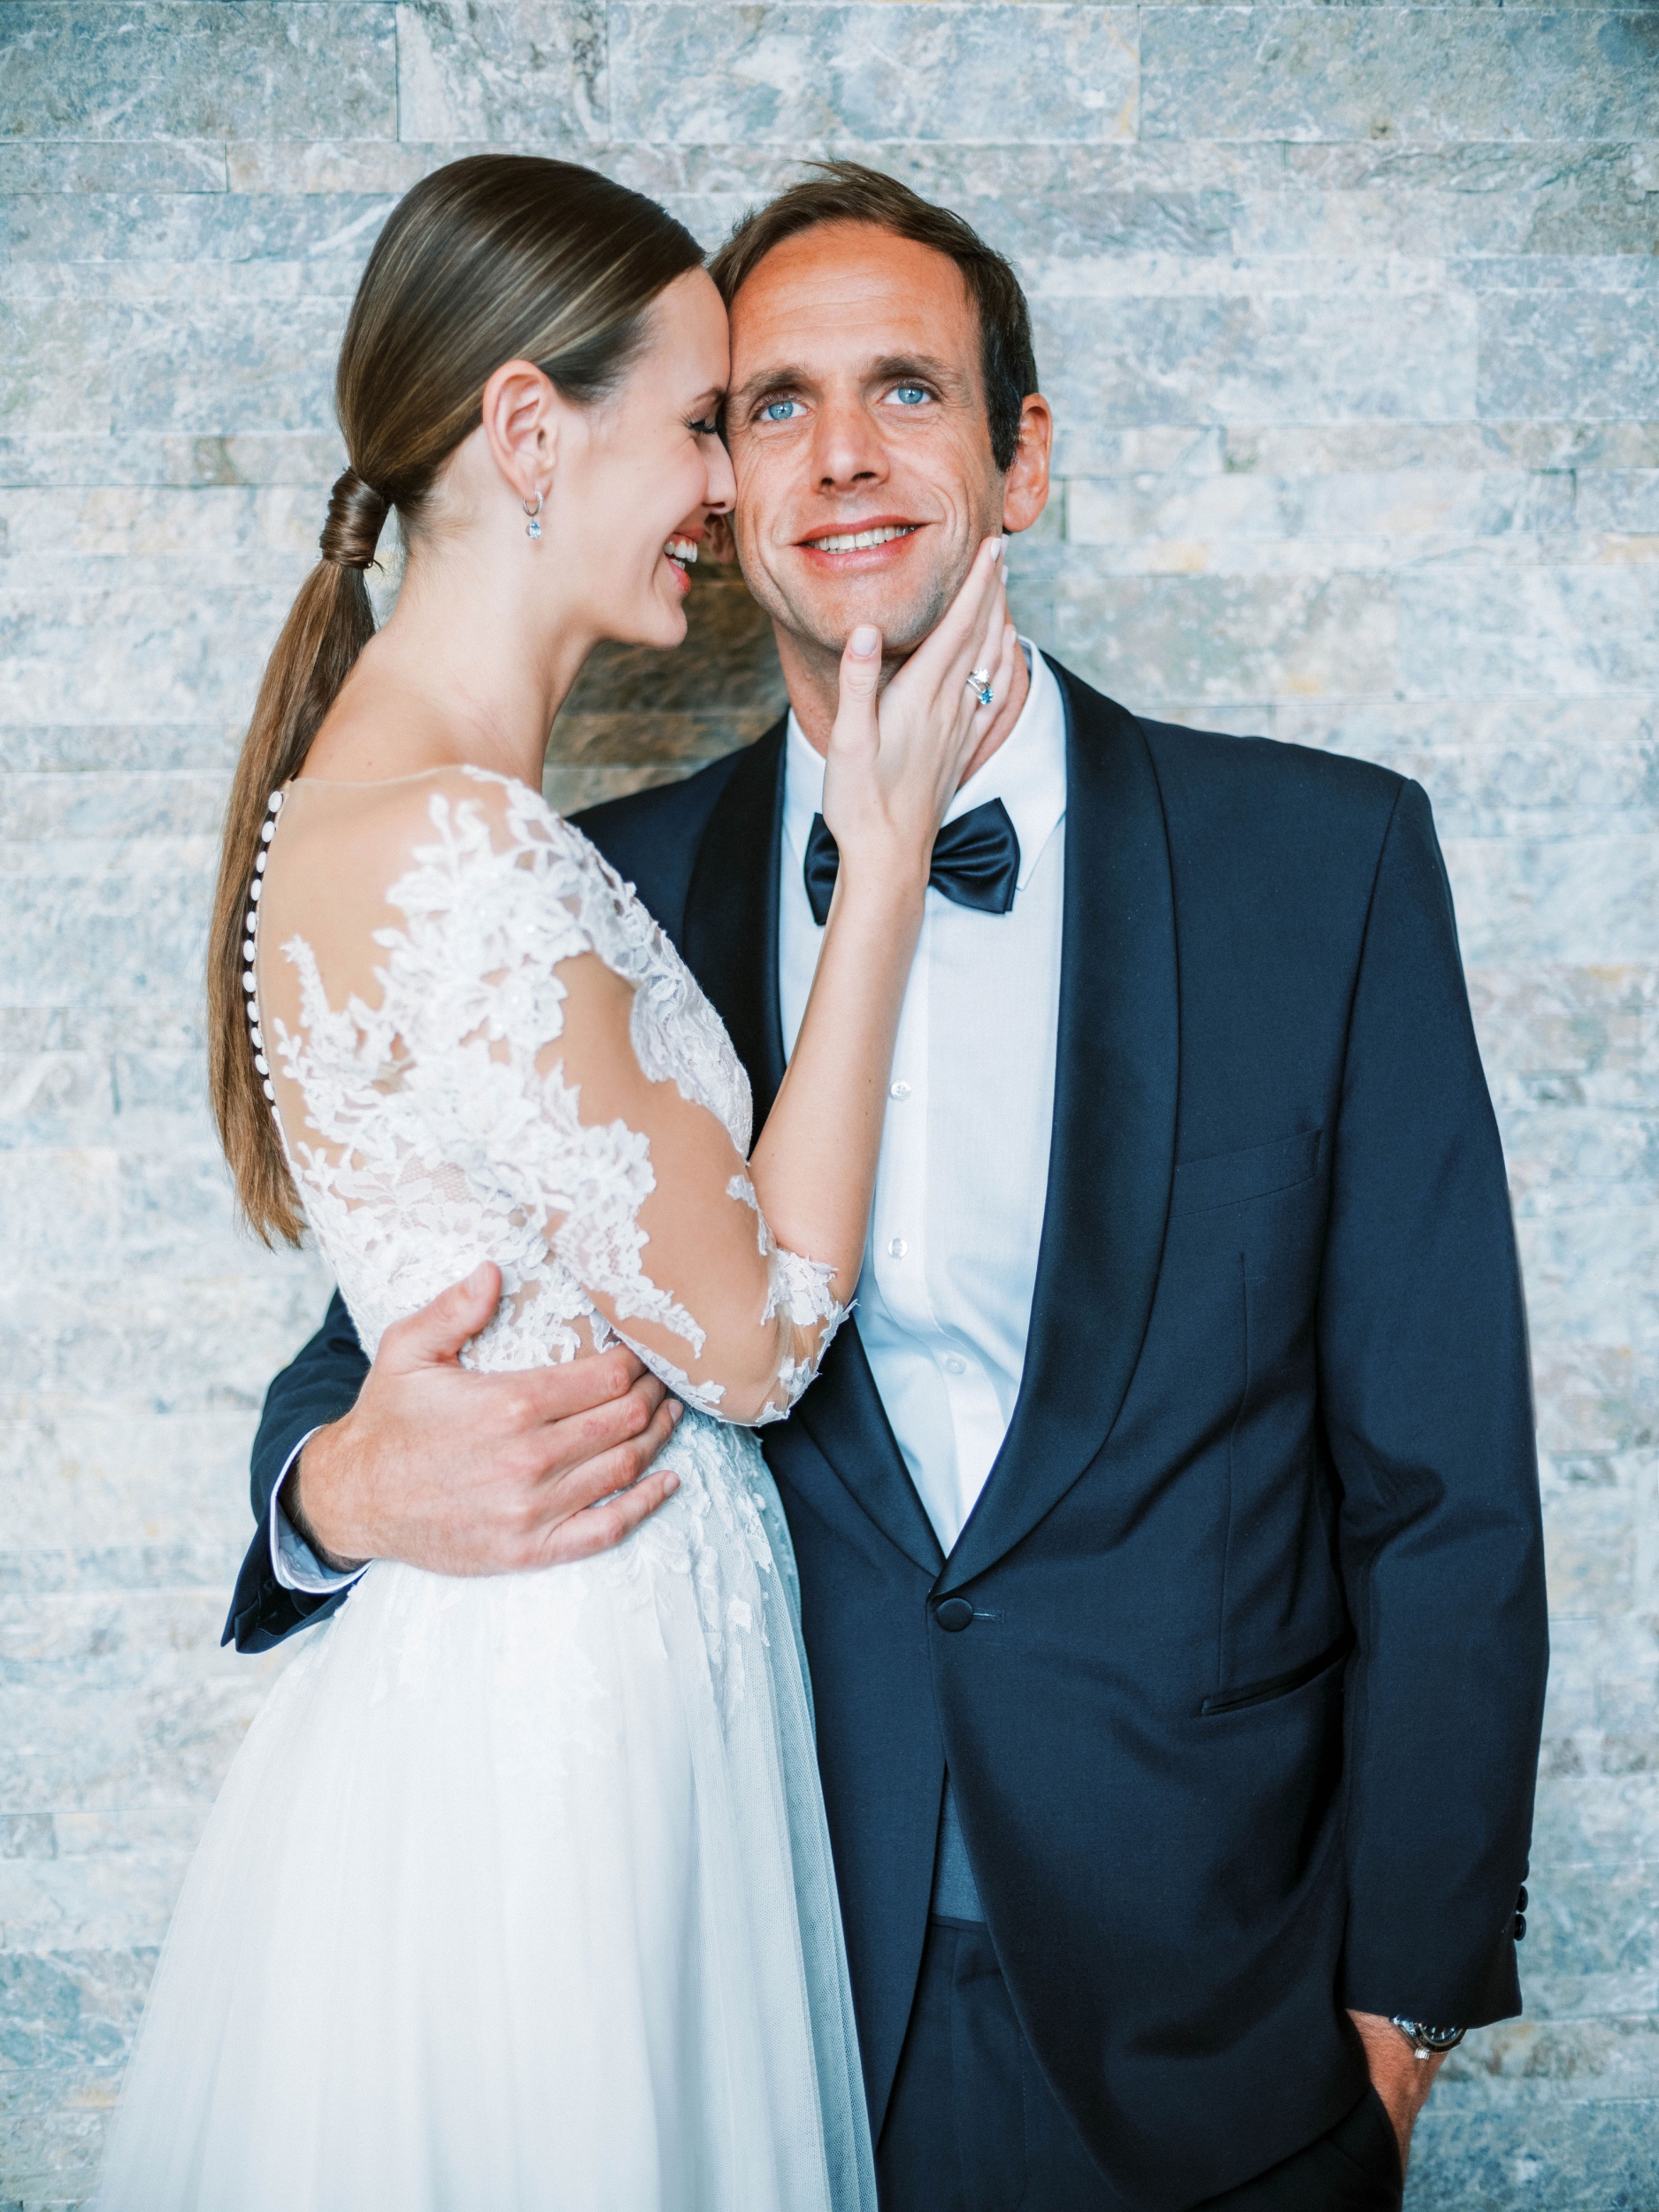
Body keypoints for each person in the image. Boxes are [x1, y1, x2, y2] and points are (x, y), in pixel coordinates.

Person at [236, 165, 1549, 2212]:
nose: (836, 455)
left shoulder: (1326, 865)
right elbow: (385, 1330)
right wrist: (333, 1498)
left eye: (905, 392)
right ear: (713, 473)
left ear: (1021, 460)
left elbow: (1445, 1487)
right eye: (762, 405)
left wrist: (1400, 2017)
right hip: (747, 1970)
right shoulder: (590, 871)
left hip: (1217, 2013)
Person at [97, 152, 1021, 2210]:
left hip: (554, 1692)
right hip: (570, 1728)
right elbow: (766, 1337)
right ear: (530, 432)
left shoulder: (360, 821)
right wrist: (880, 872)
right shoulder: (471, 855)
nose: (725, 479)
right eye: (708, 417)